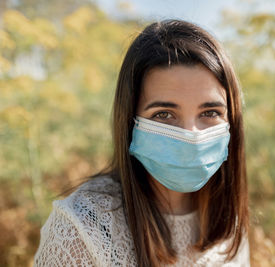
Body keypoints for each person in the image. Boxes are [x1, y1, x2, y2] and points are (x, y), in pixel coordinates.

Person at [34, 19, 249, 266]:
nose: (192, 135)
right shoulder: (82, 228)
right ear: (130, 122)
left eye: (210, 112)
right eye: (164, 114)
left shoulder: (228, 218)